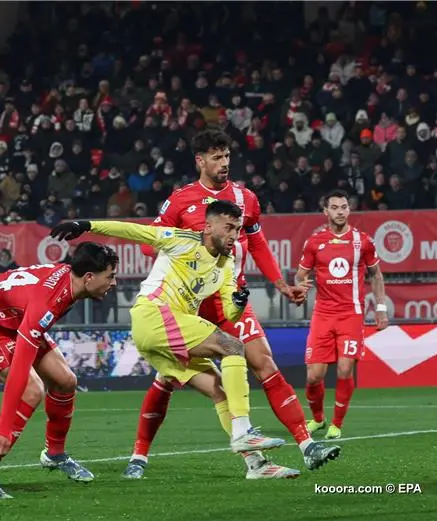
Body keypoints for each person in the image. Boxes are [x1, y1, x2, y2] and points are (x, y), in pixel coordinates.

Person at [51, 201, 340, 475]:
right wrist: (86, 224)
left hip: (166, 333)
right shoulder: (181, 239)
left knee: (219, 390)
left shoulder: (226, 265)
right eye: (228, 227)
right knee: (232, 347)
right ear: (208, 228)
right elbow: (133, 230)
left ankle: (257, 465)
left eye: (238, 229)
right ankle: (243, 431)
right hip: (153, 315)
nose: (234, 235)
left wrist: (238, 302)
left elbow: (231, 312)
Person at [130, 128, 333, 479]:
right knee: (167, 379)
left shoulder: (245, 198)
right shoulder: (181, 200)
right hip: (189, 303)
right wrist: (186, 242)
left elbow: (258, 244)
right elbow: (150, 244)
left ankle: (306, 444)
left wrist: (281, 284)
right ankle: (139, 456)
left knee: (264, 362)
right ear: (200, 161)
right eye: (216, 157)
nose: (224, 163)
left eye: (227, 156)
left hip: (231, 298)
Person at [0, 243, 119, 498]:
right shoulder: (48, 301)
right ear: (89, 277)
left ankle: (54, 454)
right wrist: (5, 426)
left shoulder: (67, 282)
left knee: (65, 381)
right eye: (110, 276)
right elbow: (19, 371)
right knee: (32, 389)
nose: (113, 283)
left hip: (12, 316)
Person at [295, 189, 390, 440]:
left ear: (349, 210)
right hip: (323, 314)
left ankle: (337, 424)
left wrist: (380, 308)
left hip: (351, 313)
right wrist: (300, 285)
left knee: (345, 369)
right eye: (335, 207)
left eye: (344, 207)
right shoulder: (314, 242)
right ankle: (318, 419)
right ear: (325, 211)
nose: (340, 211)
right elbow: (300, 275)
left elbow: (376, 275)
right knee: (314, 376)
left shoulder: (363, 241)